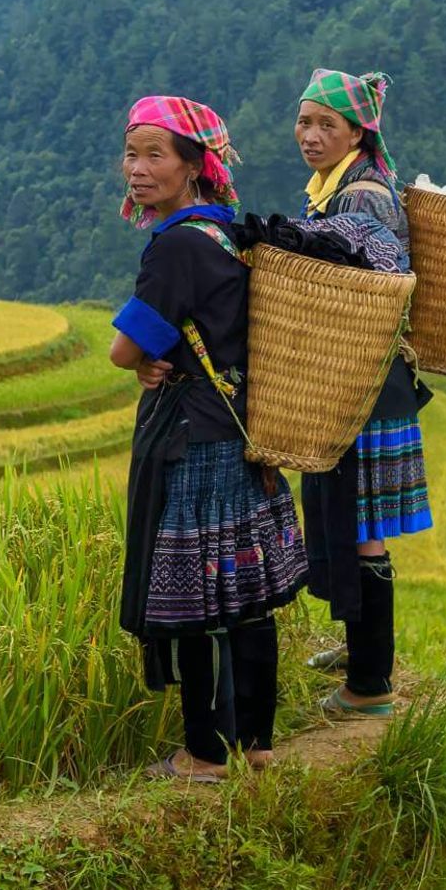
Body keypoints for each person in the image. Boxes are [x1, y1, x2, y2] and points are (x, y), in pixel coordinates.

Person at [111, 94, 308, 780]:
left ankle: (201, 753)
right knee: (246, 599)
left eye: (154, 154)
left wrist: (139, 362)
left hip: (195, 443)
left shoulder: (175, 248)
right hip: (242, 436)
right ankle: (255, 743)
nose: (137, 168)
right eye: (131, 153)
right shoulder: (226, 234)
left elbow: (123, 347)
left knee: (192, 602)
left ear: (193, 167)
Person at [294, 68, 431, 716]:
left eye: (327, 125)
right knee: (349, 519)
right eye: (304, 121)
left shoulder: (362, 198)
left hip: (368, 386)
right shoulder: (333, 189)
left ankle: (369, 685)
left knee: (364, 529)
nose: (311, 135)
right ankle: (359, 647)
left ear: (357, 133)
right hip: (357, 382)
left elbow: (370, 297)